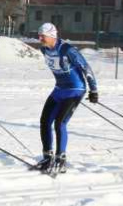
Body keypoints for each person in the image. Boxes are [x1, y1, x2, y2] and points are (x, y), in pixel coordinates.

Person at [34, 23, 98, 175]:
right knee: (44, 121)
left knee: (60, 123)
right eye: (39, 35)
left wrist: (93, 89)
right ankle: (47, 157)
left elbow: (85, 67)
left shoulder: (67, 49)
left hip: (75, 89)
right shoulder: (44, 49)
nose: (40, 38)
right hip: (59, 89)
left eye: (42, 35)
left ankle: (60, 158)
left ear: (52, 35)